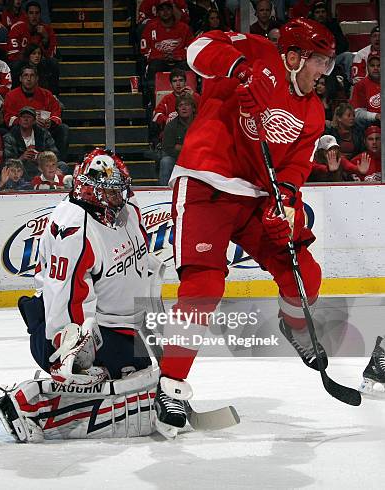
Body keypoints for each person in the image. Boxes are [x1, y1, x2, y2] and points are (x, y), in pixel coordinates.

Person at [160, 18, 336, 435]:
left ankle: (294, 326)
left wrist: (285, 204)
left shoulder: (313, 109)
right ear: (293, 57)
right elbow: (195, 49)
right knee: (203, 287)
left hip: (258, 198)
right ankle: (171, 384)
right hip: (207, 180)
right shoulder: (257, 51)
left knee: (305, 275)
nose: (324, 73)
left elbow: (294, 168)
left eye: (329, 65)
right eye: (320, 63)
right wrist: (240, 69)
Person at [0, 148, 166, 442]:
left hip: (118, 326)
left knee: (147, 378)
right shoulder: (73, 226)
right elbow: (65, 293)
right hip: (69, 330)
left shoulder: (125, 209)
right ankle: (30, 404)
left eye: (120, 190)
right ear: (90, 190)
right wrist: (70, 349)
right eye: (110, 192)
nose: (119, 197)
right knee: (135, 384)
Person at [3, 65, 68, 160]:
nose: (29, 79)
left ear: (37, 78)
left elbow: (57, 114)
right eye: (25, 75)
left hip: (45, 131)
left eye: (32, 75)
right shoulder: (11, 96)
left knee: (63, 129)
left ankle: (59, 163)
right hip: (21, 132)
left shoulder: (47, 94)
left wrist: (50, 122)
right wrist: (30, 122)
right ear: (20, 78)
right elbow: (8, 119)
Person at [140, 0, 194, 105]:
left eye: (168, 9)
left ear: (172, 10)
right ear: (157, 12)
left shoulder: (184, 28)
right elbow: (145, 50)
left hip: (179, 61)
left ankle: (189, 101)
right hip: (159, 62)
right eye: (162, 10)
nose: (165, 12)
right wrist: (162, 56)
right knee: (154, 66)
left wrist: (176, 56)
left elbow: (190, 49)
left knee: (186, 66)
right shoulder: (150, 27)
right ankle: (153, 101)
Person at [2, 105, 59, 178]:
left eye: (29, 117)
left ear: (34, 121)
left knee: (62, 165)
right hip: (20, 168)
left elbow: (55, 154)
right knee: (29, 166)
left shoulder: (43, 133)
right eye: (23, 117)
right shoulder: (10, 137)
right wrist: (22, 158)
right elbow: (8, 162)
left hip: (44, 166)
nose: (25, 119)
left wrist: (41, 157)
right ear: (19, 120)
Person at [6, 0, 57, 71]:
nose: (34, 16)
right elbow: (12, 56)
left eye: (37, 13)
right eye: (31, 13)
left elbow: (50, 55)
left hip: (39, 63)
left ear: (40, 14)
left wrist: (46, 38)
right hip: (22, 63)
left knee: (53, 63)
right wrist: (29, 59)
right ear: (26, 15)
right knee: (15, 65)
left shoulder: (47, 29)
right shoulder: (17, 28)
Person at [159, 93, 196, 185]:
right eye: (180, 105)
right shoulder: (171, 126)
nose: (183, 108)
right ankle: (164, 191)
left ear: (193, 108)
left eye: (187, 105)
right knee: (166, 161)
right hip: (177, 159)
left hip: (197, 157)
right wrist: (189, 148)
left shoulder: (200, 123)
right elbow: (168, 149)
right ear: (177, 110)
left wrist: (181, 147)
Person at [350, 52, 380, 129]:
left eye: (379, 65)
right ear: (367, 67)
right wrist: (375, 116)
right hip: (371, 124)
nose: (375, 68)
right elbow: (357, 112)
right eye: (372, 65)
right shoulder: (361, 85)